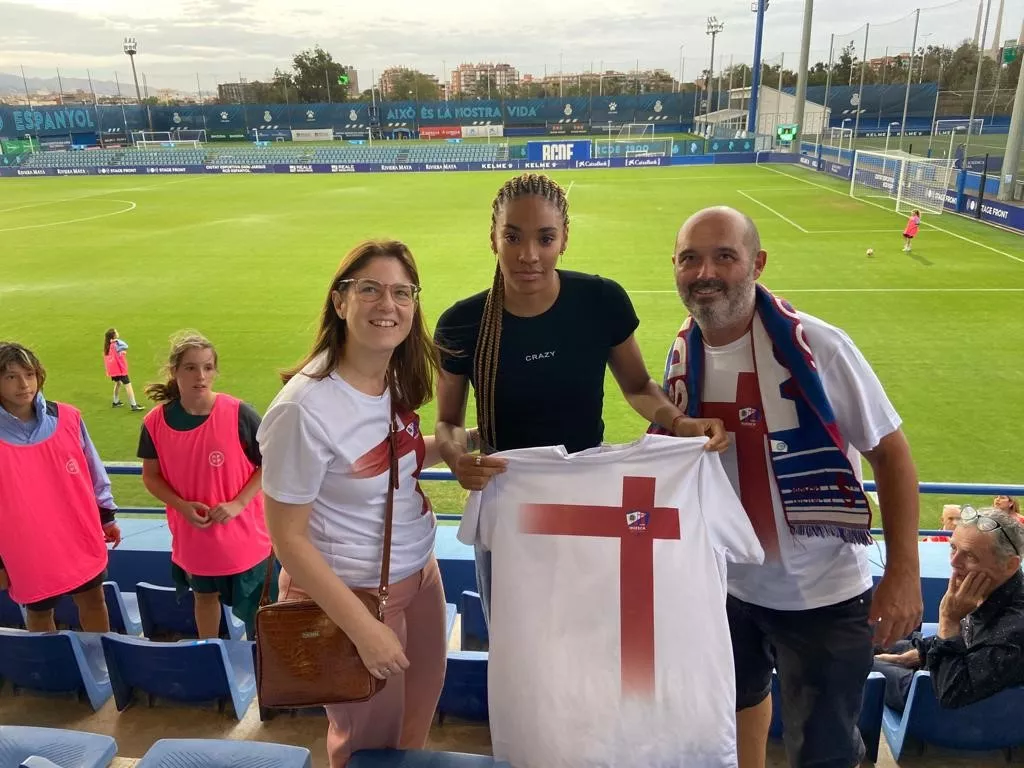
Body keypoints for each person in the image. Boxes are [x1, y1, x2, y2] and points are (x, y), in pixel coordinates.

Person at [655, 206, 923, 768]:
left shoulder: (817, 347)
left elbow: (891, 453)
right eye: (690, 258)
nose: (705, 271)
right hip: (726, 585)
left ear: (758, 263)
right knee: (732, 712)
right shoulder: (683, 353)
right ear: (675, 268)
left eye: (724, 255)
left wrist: (902, 572)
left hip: (821, 598)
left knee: (823, 751)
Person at [432, 172, 726, 621]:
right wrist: (456, 458)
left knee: (591, 634)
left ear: (564, 238)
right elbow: (448, 420)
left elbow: (637, 387)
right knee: (516, 641)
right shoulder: (462, 323)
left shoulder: (600, 301)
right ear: (493, 238)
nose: (529, 255)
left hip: (591, 505)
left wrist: (679, 423)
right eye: (513, 236)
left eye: (545, 238)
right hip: (507, 506)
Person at [258, 240, 461, 768]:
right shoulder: (303, 409)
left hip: (420, 576)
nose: (386, 305)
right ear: (340, 300)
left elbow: (391, 458)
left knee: (414, 721)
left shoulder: (390, 374)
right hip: (357, 594)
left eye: (401, 292)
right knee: (366, 745)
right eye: (369, 289)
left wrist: (469, 444)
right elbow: (288, 539)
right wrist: (363, 629)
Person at [138, 331, 271, 638]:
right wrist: (182, 506)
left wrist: (238, 503)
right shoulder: (155, 423)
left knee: (257, 604)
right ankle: (210, 654)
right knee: (203, 597)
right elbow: (151, 476)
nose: (201, 376)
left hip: (245, 537)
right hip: (194, 537)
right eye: (191, 368)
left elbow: (271, 464)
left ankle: (264, 662)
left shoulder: (240, 413)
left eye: (208, 367)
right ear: (174, 372)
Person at [0, 342, 121, 633]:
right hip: (27, 547)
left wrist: (107, 517)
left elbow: (94, 472)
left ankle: (101, 667)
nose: (23, 384)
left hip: (78, 534)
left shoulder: (68, 417)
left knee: (94, 600)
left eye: (29, 374)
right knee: (40, 614)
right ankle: (52, 676)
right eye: (11, 377)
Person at [873, 507, 1024, 711]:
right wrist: (921, 653)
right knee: (867, 641)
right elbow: (972, 642)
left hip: (948, 712)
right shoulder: (992, 591)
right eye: (953, 548)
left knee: (853, 658)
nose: (954, 562)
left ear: (1009, 565)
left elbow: (951, 692)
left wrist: (948, 619)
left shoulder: (1015, 628)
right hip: (951, 674)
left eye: (970, 556)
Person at [103, 328, 145, 411]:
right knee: (128, 385)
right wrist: (121, 350)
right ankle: (134, 405)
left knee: (118, 383)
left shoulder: (108, 346)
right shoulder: (115, 344)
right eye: (116, 332)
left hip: (113, 370)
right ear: (113, 336)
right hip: (119, 369)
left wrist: (121, 353)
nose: (118, 333)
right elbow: (125, 346)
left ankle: (115, 402)